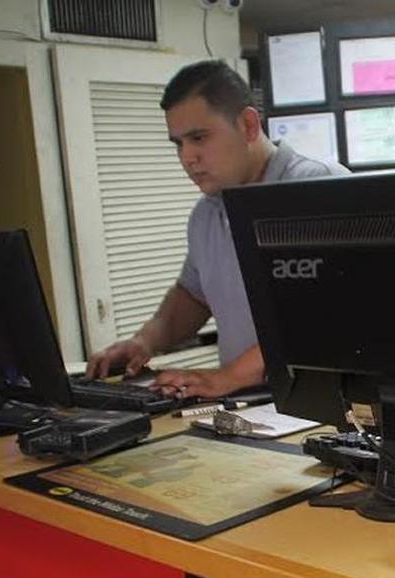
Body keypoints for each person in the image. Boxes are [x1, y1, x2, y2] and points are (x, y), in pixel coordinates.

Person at [85, 60, 348, 398]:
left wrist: (226, 377)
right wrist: (144, 341)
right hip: (251, 405)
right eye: (178, 143)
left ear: (248, 125)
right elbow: (193, 295)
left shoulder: (318, 188)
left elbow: (325, 313)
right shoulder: (206, 214)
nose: (187, 157)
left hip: (324, 407)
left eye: (198, 137)